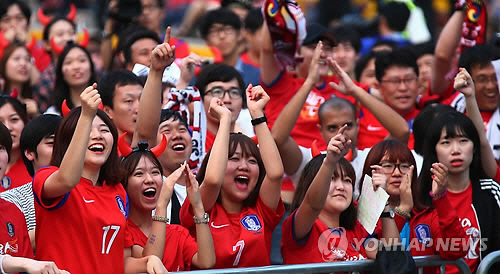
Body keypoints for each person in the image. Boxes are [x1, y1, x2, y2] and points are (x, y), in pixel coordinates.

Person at [32, 84, 166, 273]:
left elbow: (121, 262)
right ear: (68, 141)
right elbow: (67, 180)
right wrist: (85, 115)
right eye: (88, 130)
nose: (97, 136)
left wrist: (147, 261)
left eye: (104, 130)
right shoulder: (46, 176)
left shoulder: (118, 191)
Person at [271, 44, 409, 199]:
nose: (341, 133)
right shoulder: (308, 160)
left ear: (358, 125)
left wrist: (355, 90)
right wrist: (309, 82)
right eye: (332, 128)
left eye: (348, 125)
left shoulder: (369, 160)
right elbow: (277, 138)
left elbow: (402, 132)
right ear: (320, 129)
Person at [180, 85, 285, 268]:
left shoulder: (261, 211)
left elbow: (275, 174)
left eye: (252, 161)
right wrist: (225, 120)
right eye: (234, 159)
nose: (244, 166)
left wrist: (256, 113)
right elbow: (213, 180)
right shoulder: (199, 206)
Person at [281, 128, 401, 264]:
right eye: (332, 178)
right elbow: (312, 204)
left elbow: (394, 259)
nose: (341, 186)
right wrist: (329, 162)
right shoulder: (300, 226)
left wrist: (383, 201)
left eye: (347, 180)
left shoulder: (356, 229)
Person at [418, 109, 500, 273]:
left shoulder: (490, 192)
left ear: (474, 147)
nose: (456, 150)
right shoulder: (420, 197)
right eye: (446, 142)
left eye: (463, 140)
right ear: (434, 150)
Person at [120, 141, 215, 271]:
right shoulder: (120, 231)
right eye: (139, 173)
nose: (150, 179)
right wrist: (162, 204)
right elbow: (152, 262)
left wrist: (197, 205)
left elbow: (207, 262)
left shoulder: (177, 233)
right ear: (123, 184)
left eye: (155, 172)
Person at [0, 114, 61, 249]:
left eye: (67, 144)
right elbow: (12, 250)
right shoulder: (11, 200)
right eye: (51, 144)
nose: (62, 151)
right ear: (29, 153)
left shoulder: (88, 192)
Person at [357, 47, 420, 150]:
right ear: (379, 86)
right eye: (394, 81)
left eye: (409, 80)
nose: (403, 88)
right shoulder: (359, 117)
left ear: (418, 82)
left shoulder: (429, 116)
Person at [32, 17, 78, 113]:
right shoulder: (44, 81)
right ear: (46, 44)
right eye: (60, 34)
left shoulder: (91, 69)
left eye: (71, 33)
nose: (68, 39)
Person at [46, 43, 97, 115]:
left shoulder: (106, 105)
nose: (76, 67)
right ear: (61, 72)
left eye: (82, 60)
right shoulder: (53, 113)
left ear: (91, 67)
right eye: (68, 62)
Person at [100, 70, 143, 144]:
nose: (139, 109)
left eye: (142, 99)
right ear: (108, 111)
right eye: (129, 101)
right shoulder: (105, 153)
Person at [0, 43, 39, 118]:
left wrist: (36, 115)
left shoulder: (36, 97)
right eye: (16, 59)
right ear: (4, 64)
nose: (23, 64)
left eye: (27, 59)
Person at [0, 95, 30, 192]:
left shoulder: (37, 164)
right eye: (0, 122)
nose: (8, 127)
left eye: (14, 120)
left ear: (25, 122)